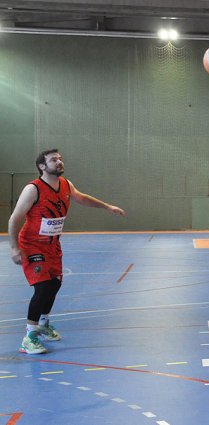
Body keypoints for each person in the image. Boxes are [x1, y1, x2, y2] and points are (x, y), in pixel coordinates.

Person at [8, 149, 126, 355]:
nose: (59, 161)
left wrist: (107, 206)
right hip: (32, 244)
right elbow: (15, 218)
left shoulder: (65, 184)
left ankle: (43, 324)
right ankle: (29, 338)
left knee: (54, 284)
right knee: (43, 287)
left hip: (52, 245)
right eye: (53, 160)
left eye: (60, 158)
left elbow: (81, 198)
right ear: (42, 167)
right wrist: (14, 247)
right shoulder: (33, 189)